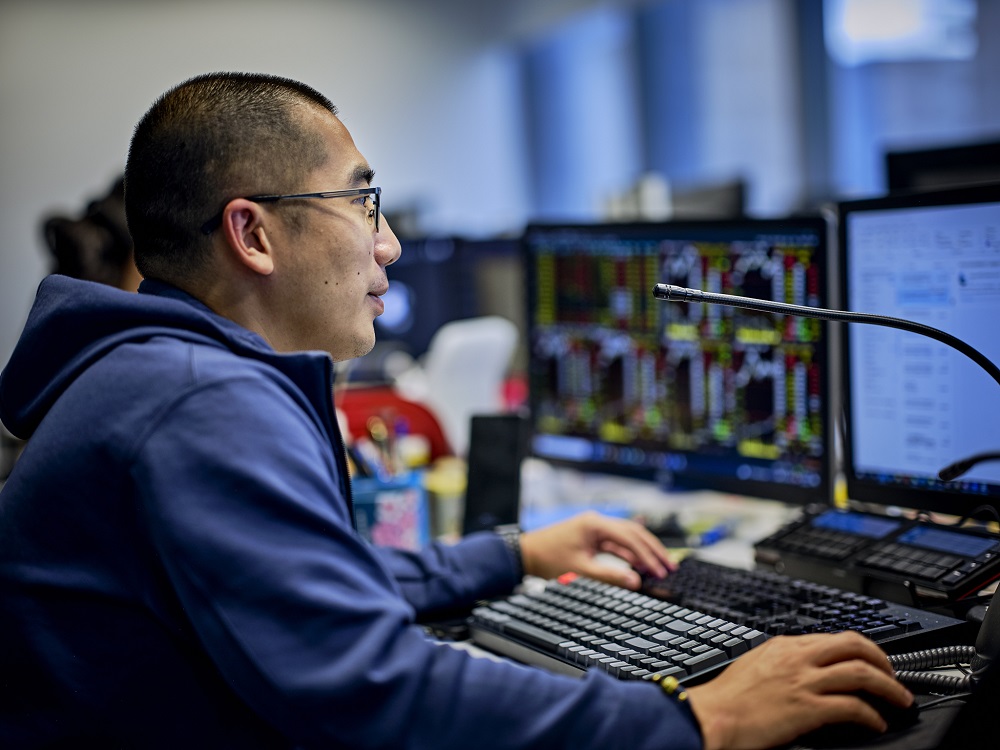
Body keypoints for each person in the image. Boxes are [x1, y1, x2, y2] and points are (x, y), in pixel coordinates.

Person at [0, 72, 912, 750]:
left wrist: (512, 554)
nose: (388, 243)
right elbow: (376, 689)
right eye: (363, 201)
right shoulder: (200, 401)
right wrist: (695, 718)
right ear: (253, 233)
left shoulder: (162, 376)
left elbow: (310, 599)